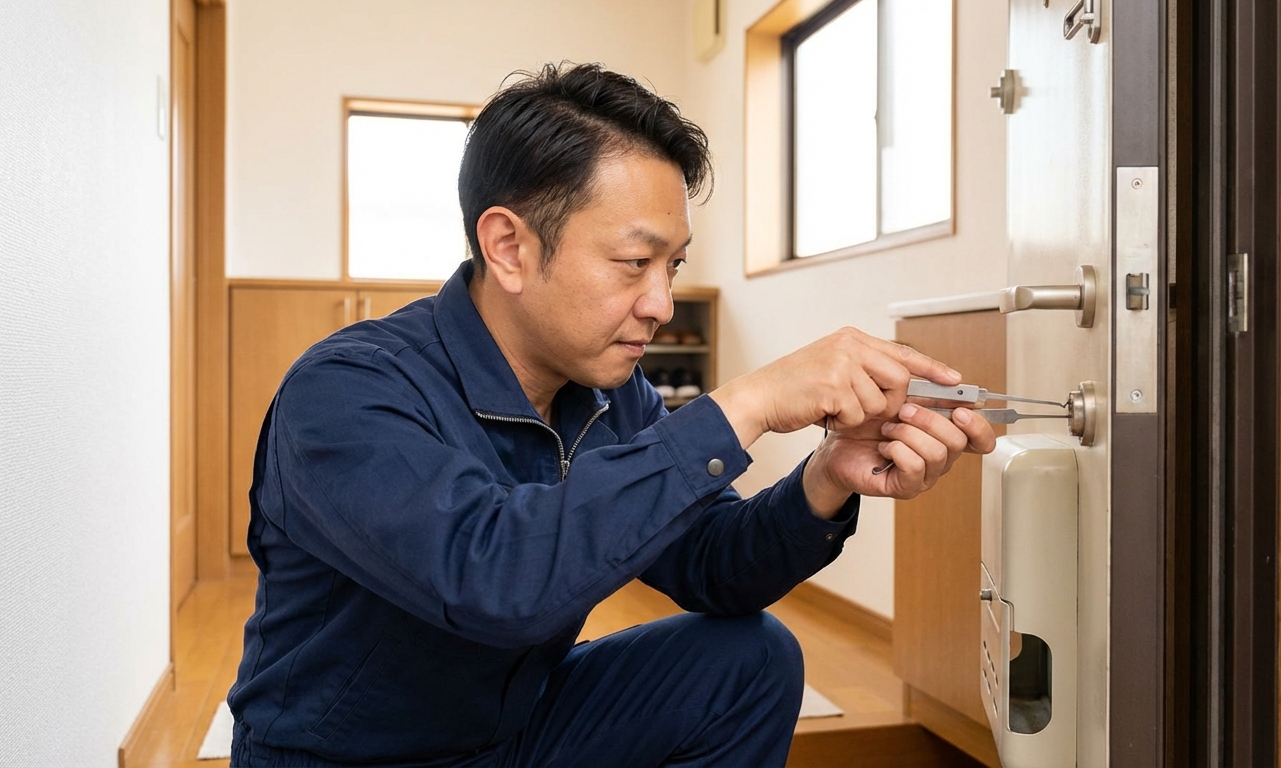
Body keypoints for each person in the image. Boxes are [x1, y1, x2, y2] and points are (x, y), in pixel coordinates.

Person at [227, 62, 995, 768]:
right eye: (635, 262)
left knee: (750, 658)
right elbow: (494, 580)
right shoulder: (345, 391)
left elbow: (713, 566)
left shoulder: (604, 388)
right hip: (351, 759)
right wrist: (749, 402)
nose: (661, 304)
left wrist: (828, 477)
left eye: (674, 267)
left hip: (515, 732)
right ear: (509, 247)